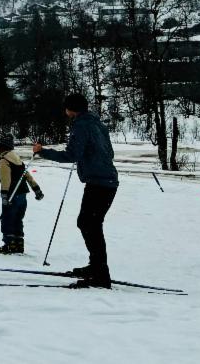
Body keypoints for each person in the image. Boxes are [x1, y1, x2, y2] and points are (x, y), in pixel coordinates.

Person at [34, 93, 118, 289]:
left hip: (99, 182)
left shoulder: (81, 125)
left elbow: (71, 155)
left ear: (70, 109)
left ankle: (100, 275)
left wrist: (42, 152)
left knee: (89, 224)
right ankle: (95, 267)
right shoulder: (97, 123)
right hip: (106, 181)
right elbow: (109, 152)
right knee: (89, 224)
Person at [0, 136, 43, 254]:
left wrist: (4, 195)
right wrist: (36, 189)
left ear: (3, 148)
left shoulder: (4, 161)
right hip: (22, 196)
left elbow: (6, 179)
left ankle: (9, 245)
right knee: (17, 219)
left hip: (11, 195)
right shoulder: (18, 160)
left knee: (8, 219)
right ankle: (18, 244)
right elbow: (27, 175)